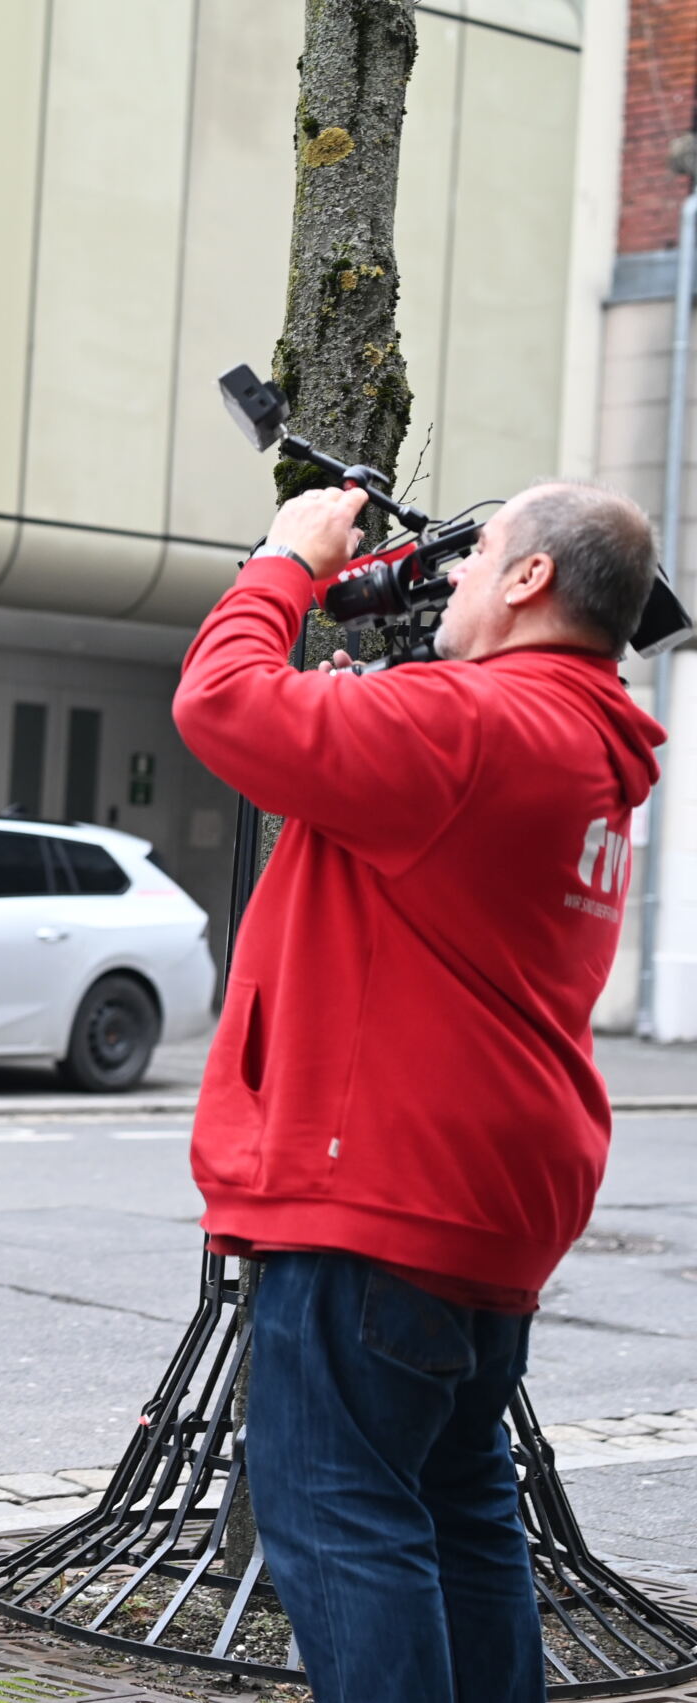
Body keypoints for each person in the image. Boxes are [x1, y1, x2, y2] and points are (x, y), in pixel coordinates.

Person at [171, 479, 667, 1702]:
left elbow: (222, 702)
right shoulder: (579, 742)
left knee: (338, 1514)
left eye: (476, 552)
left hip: (377, 1185)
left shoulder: (470, 725)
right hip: (488, 1194)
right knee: (458, 1505)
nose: (447, 572)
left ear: (531, 581)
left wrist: (282, 559)